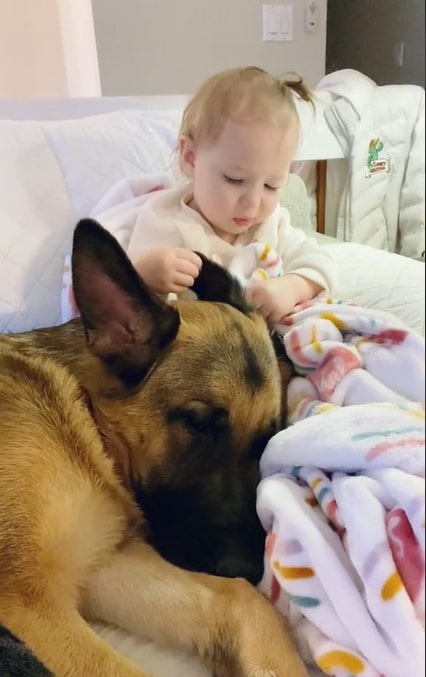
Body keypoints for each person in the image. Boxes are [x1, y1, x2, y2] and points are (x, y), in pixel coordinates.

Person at [126, 66, 336, 324]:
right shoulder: (163, 220)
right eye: (235, 180)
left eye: (272, 185)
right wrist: (143, 275)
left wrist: (292, 287)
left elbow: (321, 264)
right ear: (190, 157)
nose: (253, 202)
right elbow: (117, 302)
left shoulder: (271, 225)